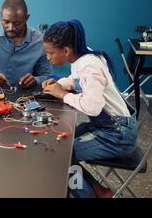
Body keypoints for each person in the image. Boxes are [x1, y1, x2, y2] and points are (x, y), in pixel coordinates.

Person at [42, 19, 138, 198]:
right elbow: (76, 79)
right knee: (61, 144)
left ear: (66, 50)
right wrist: (59, 84)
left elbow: (92, 107)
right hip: (108, 126)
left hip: (118, 134)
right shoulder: (82, 58)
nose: (48, 57)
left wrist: (62, 95)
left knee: (59, 155)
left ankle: (86, 195)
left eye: (50, 53)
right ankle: (98, 190)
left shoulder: (89, 65)